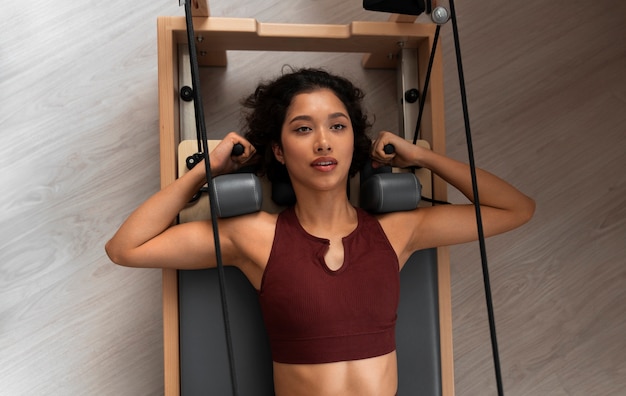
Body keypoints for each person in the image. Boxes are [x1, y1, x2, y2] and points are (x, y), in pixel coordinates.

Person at [105, 68, 535, 396]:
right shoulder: (254, 237)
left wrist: (422, 156)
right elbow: (125, 248)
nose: (323, 142)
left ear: (354, 143)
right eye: (303, 129)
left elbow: (516, 209)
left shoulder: (400, 231)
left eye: (337, 126)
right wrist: (208, 170)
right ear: (278, 149)